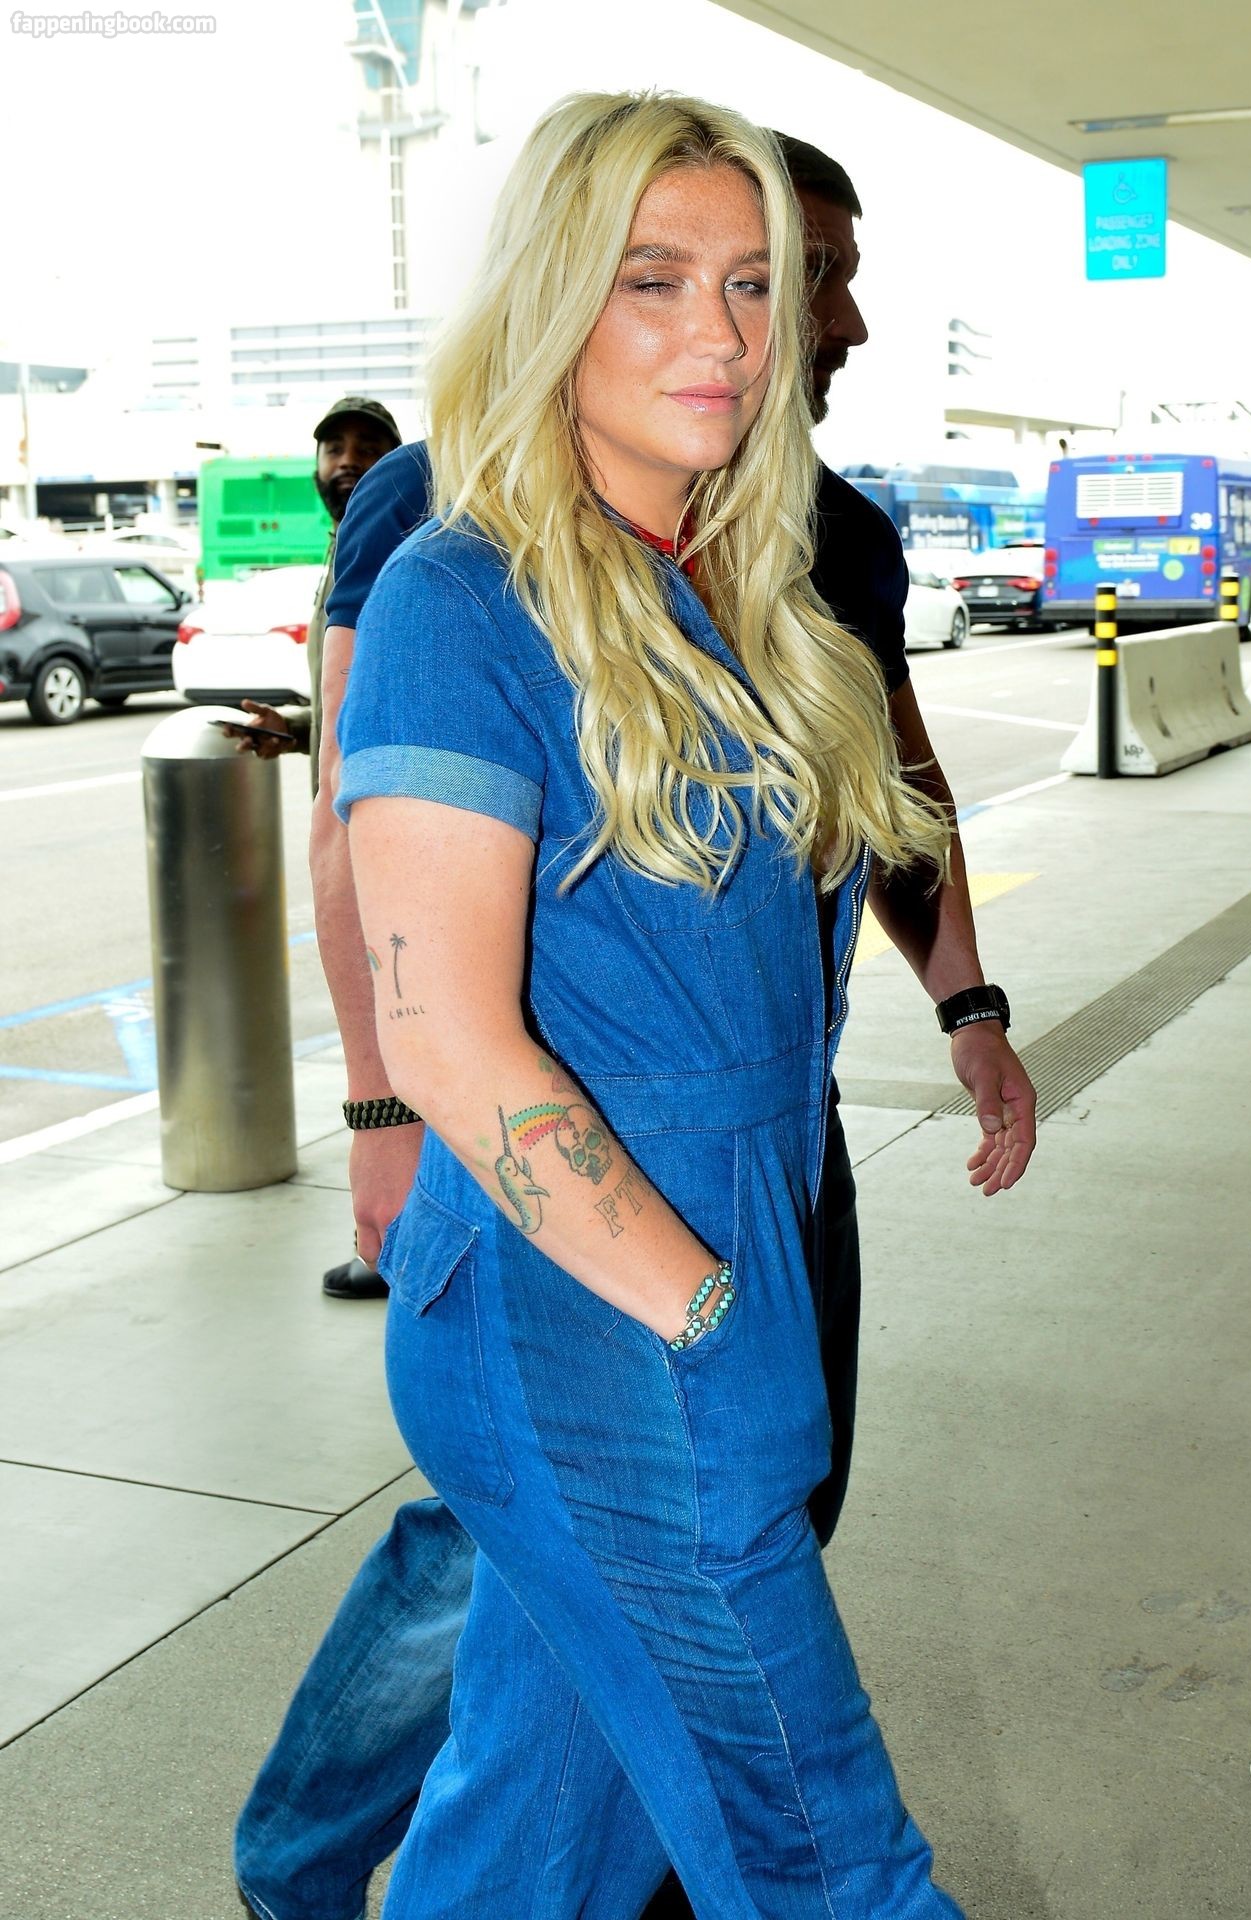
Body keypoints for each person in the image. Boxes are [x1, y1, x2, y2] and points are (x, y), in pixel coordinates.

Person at [234, 125, 1036, 1920]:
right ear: (548, 303)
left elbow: (888, 830)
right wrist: (704, 1314)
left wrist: (963, 1007)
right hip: (587, 1304)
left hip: (753, 1214)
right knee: (831, 1859)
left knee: (536, 1841)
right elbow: (449, 1034)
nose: (726, 335)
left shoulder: (754, 588)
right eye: (653, 281)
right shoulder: (462, 589)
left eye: (753, 283)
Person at [223, 393, 403, 1302]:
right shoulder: (341, 551)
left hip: (381, 837)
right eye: (334, 446)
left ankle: (396, 1231)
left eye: (368, 445)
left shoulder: (398, 536)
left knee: (394, 1023)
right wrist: (296, 730)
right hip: (349, 816)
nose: (347, 460)